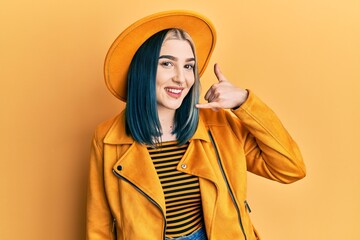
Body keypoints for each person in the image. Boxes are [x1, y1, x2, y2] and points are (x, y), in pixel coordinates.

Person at [86, 10, 306, 240]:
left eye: (189, 66)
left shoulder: (219, 125)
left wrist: (244, 102)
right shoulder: (107, 138)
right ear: (144, 69)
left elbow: (290, 168)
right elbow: (98, 227)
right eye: (167, 64)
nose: (181, 78)